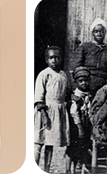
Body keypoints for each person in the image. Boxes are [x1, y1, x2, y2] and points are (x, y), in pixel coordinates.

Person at [33, 46, 70, 174]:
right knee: (40, 142)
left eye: (57, 57)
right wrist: (44, 114)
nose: (54, 60)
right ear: (46, 60)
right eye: (51, 58)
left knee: (50, 144)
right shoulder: (44, 74)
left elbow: (67, 93)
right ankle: (30, 169)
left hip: (59, 112)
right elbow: (39, 98)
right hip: (47, 112)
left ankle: (46, 171)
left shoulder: (63, 75)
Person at [73, 19, 107, 94]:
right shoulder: (85, 47)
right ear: (92, 33)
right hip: (87, 83)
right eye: (96, 31)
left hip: (103, 85)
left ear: (105, 32)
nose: (99, 33)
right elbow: (77, 67)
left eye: (101, 31)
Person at [67, 66, 95, 170]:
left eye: (86, 81)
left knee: (87, 144)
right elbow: (74, 113)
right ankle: (71, 167)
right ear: (76, 82)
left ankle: (84, 164)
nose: (84, 83)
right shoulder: (75, 96)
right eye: (81, 81)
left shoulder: (90, 95)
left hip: (88, 124)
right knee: (75, 145)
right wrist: (79, 127)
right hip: (77, 125)